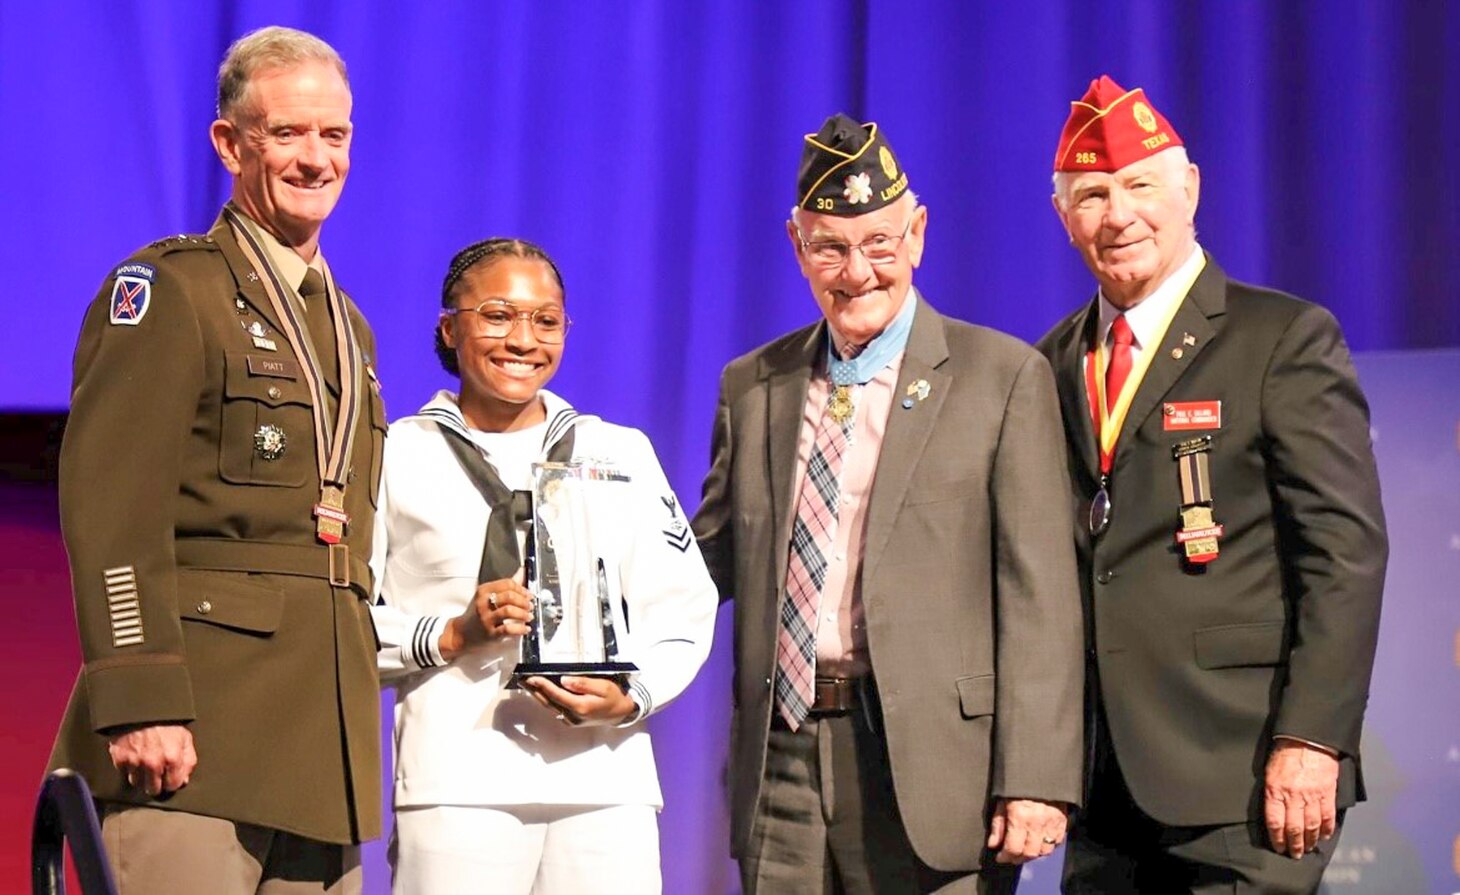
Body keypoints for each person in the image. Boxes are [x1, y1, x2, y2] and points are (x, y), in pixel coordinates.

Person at [692, 114, 1084, 894]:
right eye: (831, 246)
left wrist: (1037, 773)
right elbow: (707, 560)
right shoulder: (754, 384)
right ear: (797, 244)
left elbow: (1041, 594)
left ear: (918, 235)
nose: (858, 270)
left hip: (936, 764)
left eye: (879, 243)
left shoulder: (999, 376)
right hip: (785, 763)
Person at [47, 26, 385, 894]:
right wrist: (141, 696)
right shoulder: (170, 291)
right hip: (192, 743)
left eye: (334, 135)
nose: (316, 159)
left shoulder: (348, 327)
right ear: (230, 144)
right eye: (288, 134)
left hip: (321, 753)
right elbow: (110, 507)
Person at [1036, 75, 1387, 893]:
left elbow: (1345, 555)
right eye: (1091, 194)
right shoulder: (1047, 362)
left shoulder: (1282, 338)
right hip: (1100, 789)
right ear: (1063, 216)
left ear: (1190, 189)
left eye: (1139, 185)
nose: (1117, 214)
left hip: (1248, 776)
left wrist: (1313, 739)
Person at [369, 237, 718, 894]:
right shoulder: (392, 456)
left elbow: (684, 602)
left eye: (545, 319)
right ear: (449, 327)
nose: (523, 338)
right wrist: (447, 633)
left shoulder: (620, 451)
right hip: (456, 783)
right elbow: (344, 619)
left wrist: (633, 692)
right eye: (497, 315)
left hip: (606, 781)